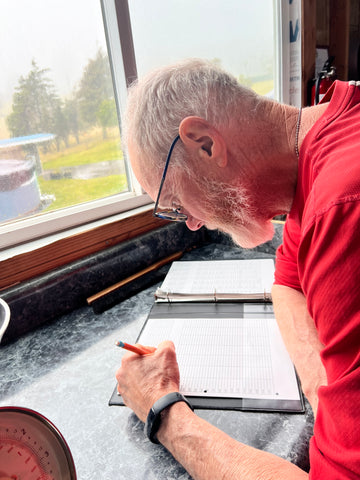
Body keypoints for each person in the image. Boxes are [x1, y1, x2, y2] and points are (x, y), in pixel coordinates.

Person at [116, 59, 360, 479]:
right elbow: (286, 284)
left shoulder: (342, 204)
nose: (190, 222)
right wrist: (328, 390)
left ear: (205, 143)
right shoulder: (314, 162)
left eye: (175, 201)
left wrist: (164, 411)